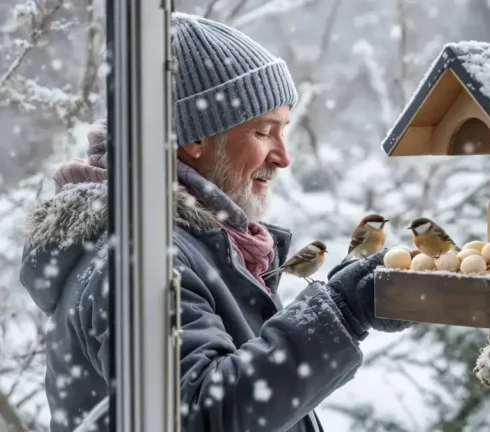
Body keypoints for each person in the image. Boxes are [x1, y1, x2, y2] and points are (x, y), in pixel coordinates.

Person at [19, 12, 412, 432]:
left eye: (284, 132)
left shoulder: (197, 247)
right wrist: (341, 312)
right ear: (195, 139)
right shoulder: (136, 261)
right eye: (264, 132)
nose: (283, 157)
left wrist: (340, 304)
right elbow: (201, 416)